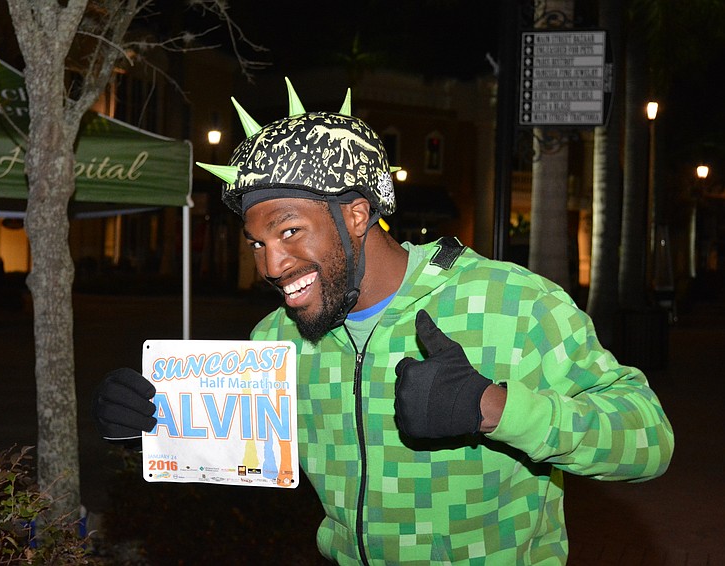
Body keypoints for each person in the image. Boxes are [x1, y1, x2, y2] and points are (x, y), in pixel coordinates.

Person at [93, 78, 674, 564]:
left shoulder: (511, 304)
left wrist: (492, 408)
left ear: (356, 213)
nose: (270, 263)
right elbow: (243, 456)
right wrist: (151, 427)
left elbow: (648, 441)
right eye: (256, 242)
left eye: (289, 230)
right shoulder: (276, 341)